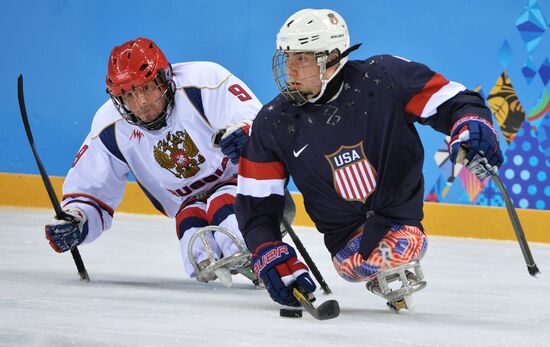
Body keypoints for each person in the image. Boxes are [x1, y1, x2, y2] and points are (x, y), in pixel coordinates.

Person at [231, 9, 503, 309]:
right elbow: (256, 207)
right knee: (360, 259)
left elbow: (455, 102)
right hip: (345, 245)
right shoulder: (272, 122)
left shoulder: (383, 78)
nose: (290, 69)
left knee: (397, 248)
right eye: (287, 58)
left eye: (302, 59)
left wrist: (472, 126)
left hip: (401, 222)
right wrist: (268, 254)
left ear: (331, 59)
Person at [45, 37, 262, 285]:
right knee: (192, 231)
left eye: (147, 88)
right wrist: (77, 221)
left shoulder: (204, 82)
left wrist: (249, 133)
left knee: (223, 204)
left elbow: (260, 123)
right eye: (129, 95)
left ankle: (261, 251)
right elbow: (89, 192)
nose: (142, 103)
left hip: (245, 186)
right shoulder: (110, 125)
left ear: (165, 78)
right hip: (187, 202)